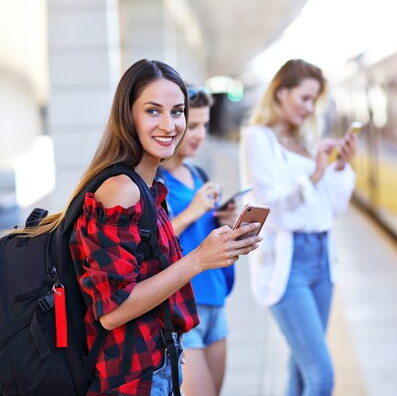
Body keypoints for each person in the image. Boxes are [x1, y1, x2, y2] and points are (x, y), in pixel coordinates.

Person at [20, 59, 262, 396]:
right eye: (153, 111)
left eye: (177, 111)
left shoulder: (147, 186)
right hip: (129, 380)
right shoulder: (121, 189)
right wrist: (198, 259)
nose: (169, 124)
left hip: (154, 366)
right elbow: (113, 310)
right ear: (127, 116)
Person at [239, 59, 357, 396]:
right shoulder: (257, 138)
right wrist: (315, 174)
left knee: (302, 370)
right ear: (281, 92)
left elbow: (335, 207)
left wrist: (340, 166)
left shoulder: (305, 141)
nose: (309, 108)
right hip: (289, 264)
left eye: (314, 101)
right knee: (322, 376)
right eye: (305, 98)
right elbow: (272, 206)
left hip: (322, 258)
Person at [159, 84, 236, 396]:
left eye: (204, 125)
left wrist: (224, 220)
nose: (199, 134)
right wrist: (193, 211)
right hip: (183, 310)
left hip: (216, 301)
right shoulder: (155, 181)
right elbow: (151, 243)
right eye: (192, 126)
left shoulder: (199, 174)